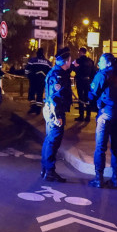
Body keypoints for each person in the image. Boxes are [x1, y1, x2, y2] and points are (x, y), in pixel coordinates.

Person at [88, 54, 117, 187]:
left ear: (107, 63)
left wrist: (89, 98)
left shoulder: (102, 74)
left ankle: (98, 178)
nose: (98, 64)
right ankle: (116, 179)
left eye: (100, 61)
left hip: (106, 113)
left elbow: (93, 93)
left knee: (100, 147)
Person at [40, 49, 73, 182]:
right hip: (54, 111)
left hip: (51, 110)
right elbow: (55, 97)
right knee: (53, 141)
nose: (71, 61)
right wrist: (58, 116)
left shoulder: (58, 72)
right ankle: (49, 171)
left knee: (49, 140)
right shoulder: (58, 75)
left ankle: (46, 169)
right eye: (70, 60)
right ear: (66, 61)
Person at [73, 47, 96, 121]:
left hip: (80, 81)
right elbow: (93, 72)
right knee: (87, 98)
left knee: (80, 98)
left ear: (81, 52)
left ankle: (81, 115)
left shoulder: (78, 61)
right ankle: (88, 116)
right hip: (88, 81)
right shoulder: (90, 61)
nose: (78, 53)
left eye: (79, 52)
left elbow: (73, 68)